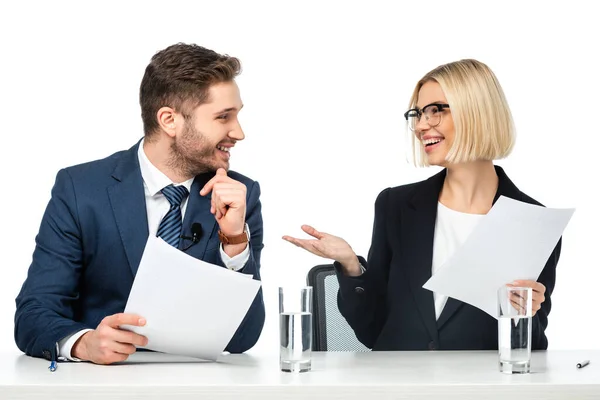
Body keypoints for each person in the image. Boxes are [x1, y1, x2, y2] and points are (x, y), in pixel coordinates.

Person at [283, 59, 560, 351]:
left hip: (480, 389)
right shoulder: (397, 206)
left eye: (435, 110)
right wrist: (351, 265)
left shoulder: (531, 222)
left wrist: (526, 313)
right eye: (417, 113)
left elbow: (531, 348)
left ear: (477, 112)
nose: (420, 125)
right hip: (402, 386)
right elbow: (372, 329)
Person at [15, 43, 265, 364]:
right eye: (223, 117)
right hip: (103, 385)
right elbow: (33, 314)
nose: (239, 132)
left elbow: (243, 338)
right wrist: (84, 343)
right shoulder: (80, 190)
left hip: (201, 387)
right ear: (169, 120)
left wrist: (234, 241)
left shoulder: (241, 194)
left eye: (237, 116)